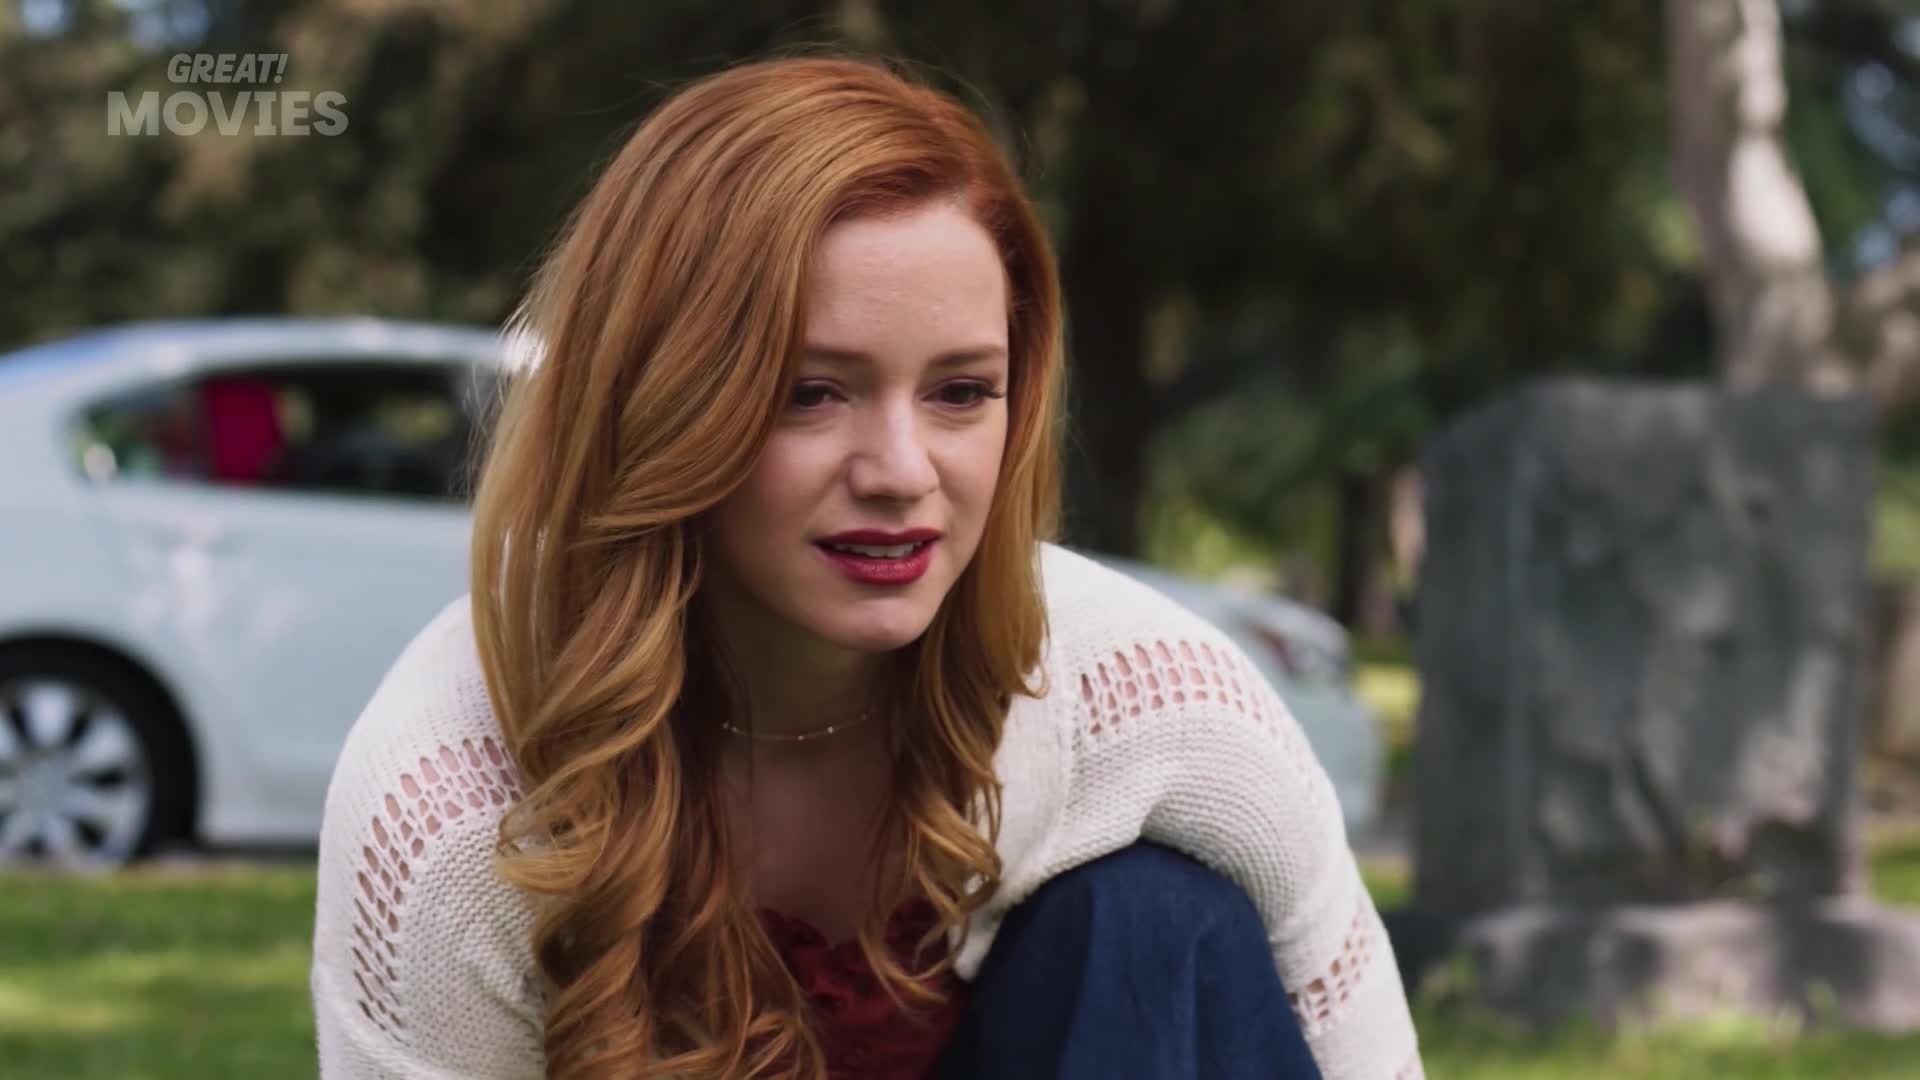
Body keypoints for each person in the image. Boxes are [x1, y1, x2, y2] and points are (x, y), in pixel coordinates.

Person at [310, 55, 1423, 1080]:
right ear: (661, 405)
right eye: (811, 391)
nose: (901, 472)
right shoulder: (453, 805)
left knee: (1151, 925)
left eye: (960, 392)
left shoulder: (1149, 702)